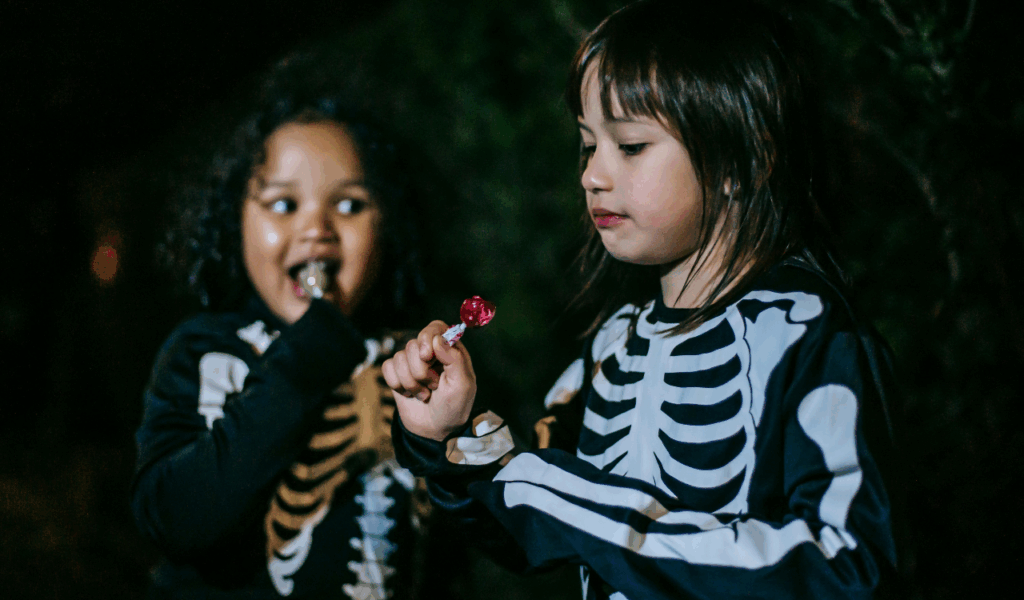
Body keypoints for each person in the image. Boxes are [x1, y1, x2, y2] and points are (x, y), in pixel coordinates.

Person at [381, 1, 900, 598]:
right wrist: (445, 437)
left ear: (741, 157)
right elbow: (533, 529)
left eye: (629, 145)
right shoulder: (611, 346)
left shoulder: (812, 338)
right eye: (587, 145)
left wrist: (559, 495)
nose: (592, 176)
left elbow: (847, 566)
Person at [131, 70, 433, 599]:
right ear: (234, 219)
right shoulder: (201, 350)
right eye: (283, 204)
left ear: (389, 226)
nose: (316, 228)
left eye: (349, 205)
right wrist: (303, 362)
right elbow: (173, 520)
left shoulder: (411, 363)